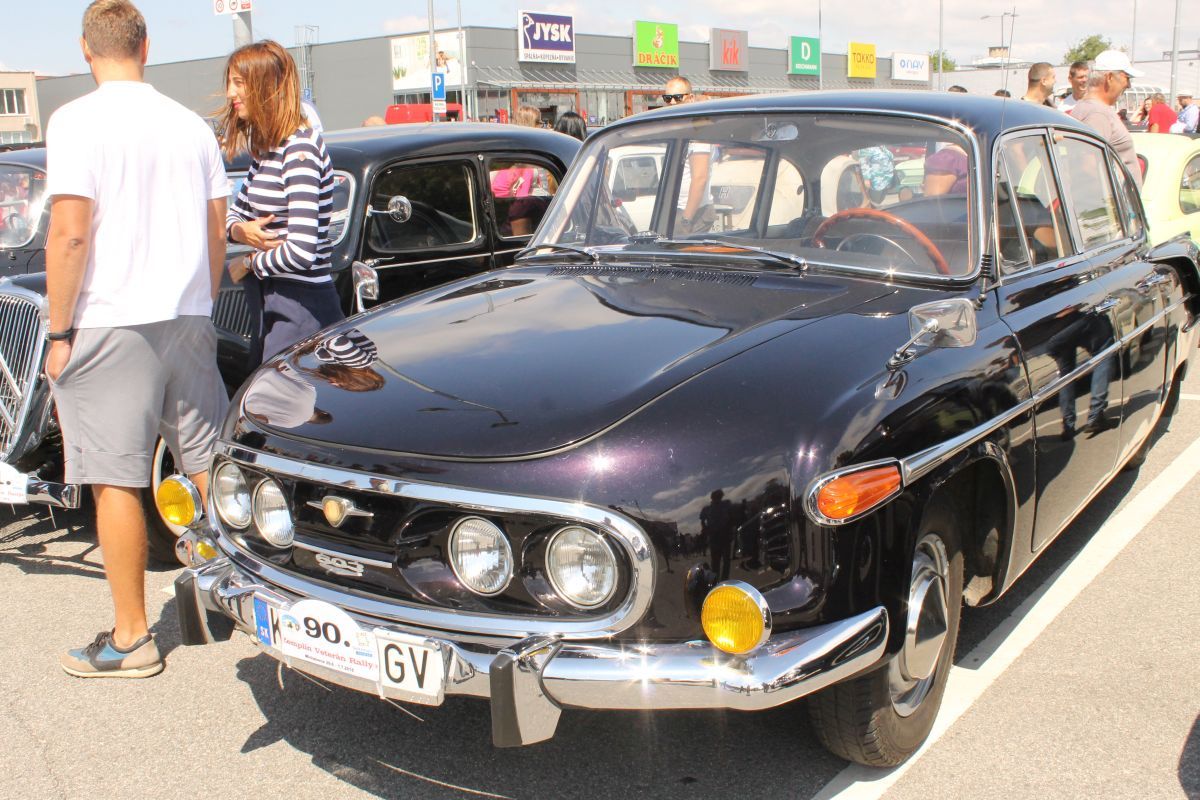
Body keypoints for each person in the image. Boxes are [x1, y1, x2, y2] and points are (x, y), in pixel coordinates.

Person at [44, 0, 229, 678]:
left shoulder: (75, 120)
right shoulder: (190, 125)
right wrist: (203, 301)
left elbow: (70, 233)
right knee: (207, 462)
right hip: (187, 312)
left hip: (109, 316)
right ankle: (239, 594)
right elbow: (216, 227)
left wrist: (59, 332)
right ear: (145, 47)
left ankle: (131, 638)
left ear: (85, 50)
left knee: (115, 476)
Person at [222, 40, 343, 365]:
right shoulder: (268, 150)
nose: (231, 94)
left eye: (239, 83)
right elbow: (233, 215)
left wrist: (249, 263)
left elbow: (302, 251)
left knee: (280, 395)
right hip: (273, 299)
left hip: (303, 305)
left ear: (266, 86)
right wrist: (241, 232)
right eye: (230, 83)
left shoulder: (299, 150)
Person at [1068, 50, 1143, 187]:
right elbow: (1089, 166)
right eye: (1127, 77)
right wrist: (1114, 196)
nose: (1129, 85)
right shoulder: (1098, 113)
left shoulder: (1089, 108)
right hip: (1106, 200)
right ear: (1109, 77)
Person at [662, 76, 715, 234]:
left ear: (690, 98)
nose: (672, 102)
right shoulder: (679, 129)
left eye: (678, 98)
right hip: (676, 208)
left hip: (693, 213)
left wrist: (686, 219)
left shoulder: (698, 130)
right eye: (668, 98)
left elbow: (700, 178)